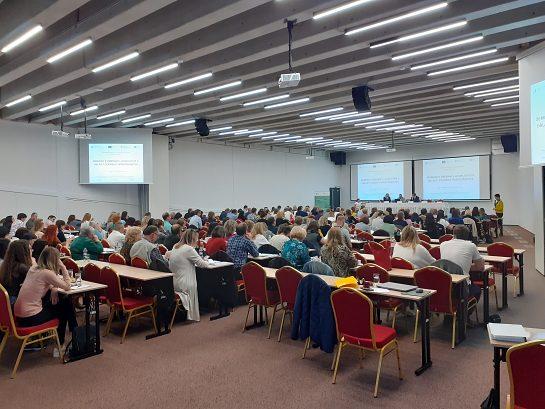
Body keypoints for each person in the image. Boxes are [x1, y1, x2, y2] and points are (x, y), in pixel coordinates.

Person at [14, 247, 77, 348]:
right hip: (31, 317)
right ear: (55, 260)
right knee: (64, 306)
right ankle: (66, 340)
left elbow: (44, 282)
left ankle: (72, 334)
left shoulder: (33, 268)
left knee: (63, 302)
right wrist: (63, 267)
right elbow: (67, 286)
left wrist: (53, 288)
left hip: (20, 315)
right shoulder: (47, 273)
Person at [168, 229, 209, 322]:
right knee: (202, 283)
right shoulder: (188, 249)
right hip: (185, 282)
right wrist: (207, 262)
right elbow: (202, 264)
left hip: (175, 281)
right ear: (193, 239)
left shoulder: (176, 246)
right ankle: (193, 315)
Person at [439, 225, 484, 299]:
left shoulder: (443, 244)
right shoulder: (471, 246)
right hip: (462, 286)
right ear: (467, 235)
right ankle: (465, 309)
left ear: (453, 234)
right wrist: (465, 266)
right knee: (477, 290)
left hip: (445, 284)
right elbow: (480, 267)